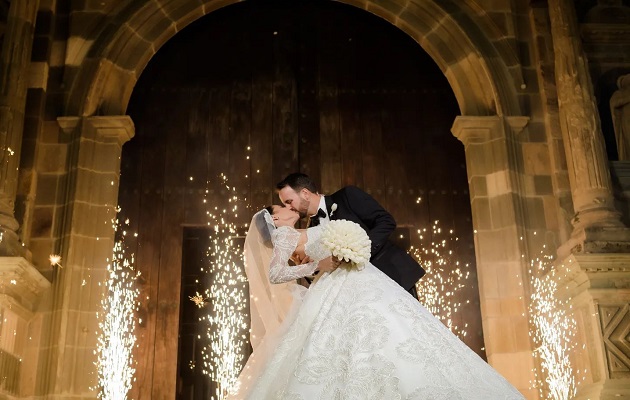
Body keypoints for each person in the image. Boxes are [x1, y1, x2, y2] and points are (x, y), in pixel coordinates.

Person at [230, 205, 524, 399]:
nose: (286, 206)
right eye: (280, 207)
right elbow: (277, 273)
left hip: (360, 277)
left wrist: (346, 249)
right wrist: (317, 266)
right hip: (333, 284)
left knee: (392, 324)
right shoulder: (283, 237)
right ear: (276, 219)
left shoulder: (303, 230)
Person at [276, 173, 425, 297]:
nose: (288, 208)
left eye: (289, 201)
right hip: (359, 294)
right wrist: (310, 269)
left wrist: (359, 253)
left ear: (305, 194)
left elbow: (386, 222)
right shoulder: (311, 230)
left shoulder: (347, 196)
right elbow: (325, 272)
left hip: (390, 274)